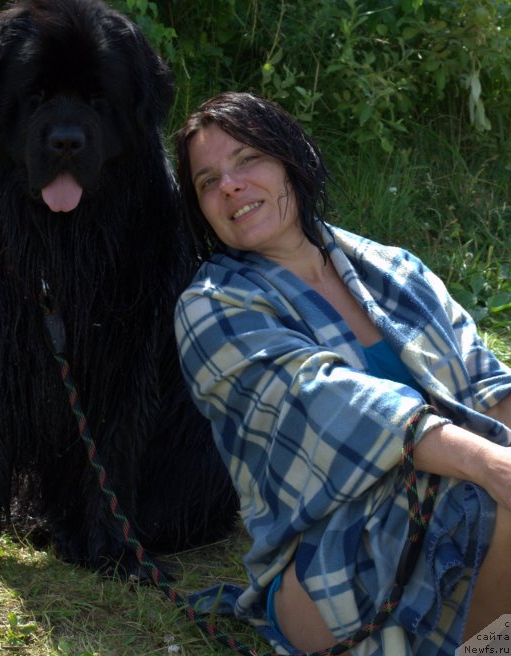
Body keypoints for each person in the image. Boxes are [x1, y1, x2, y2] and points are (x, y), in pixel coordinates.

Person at [173, 91, 511, 655]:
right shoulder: (211, 307)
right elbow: (329, 400)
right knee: (492, 512)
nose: (229, 185)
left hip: (461, 496)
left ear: (291, 161)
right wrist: (491, 463)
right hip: (329, 567)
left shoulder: (396, 269)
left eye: (248, 159)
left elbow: (487, 386)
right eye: (208, 182)